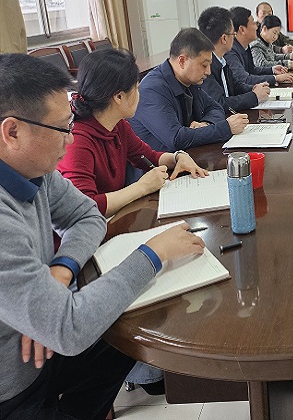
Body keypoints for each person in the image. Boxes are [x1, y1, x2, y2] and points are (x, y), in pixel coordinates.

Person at [0, 53, 205, 420]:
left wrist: (60, 270)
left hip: (46, 345)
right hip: (13, 387)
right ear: (12, 132)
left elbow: (87, 215)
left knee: (122, 334)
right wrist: (152, 254)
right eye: (62, 128)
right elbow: (67, 327)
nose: (70, 139)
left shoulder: (35, 170)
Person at [58, 49, 208, 223]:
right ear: (119, 97)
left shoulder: (118, 125)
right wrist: (142, 187)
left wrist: (177, 157)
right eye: (136, 88)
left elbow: (148, 157)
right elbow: (86, 206)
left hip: (113, 221)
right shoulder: (77, 141)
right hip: (90, 231)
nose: (139, 94)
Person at [130, 28, 249, 151]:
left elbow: (215, 107)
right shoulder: (152, 90)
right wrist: (226, 128)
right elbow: (176, 139)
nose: (208, 71)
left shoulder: (189, 80)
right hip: (160, 162)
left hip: (186, 156)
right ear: (182, 61)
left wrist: (206, 124)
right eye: (204, 65)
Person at [197, 6, 270, 111]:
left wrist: (253, 88)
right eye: (233, 34)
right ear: (224, 38)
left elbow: (235, 85)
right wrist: (254, 96)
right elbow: (219, 103)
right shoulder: (206, 66)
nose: (234, 38)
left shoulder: (221, 60)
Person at [226, 6, 293, 88]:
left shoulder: (245, 46)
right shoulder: (231, 52)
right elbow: (245, 79)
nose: (256, 27)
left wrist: (272, 70)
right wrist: (275, 78)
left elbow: (252, 70)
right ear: (242, 30)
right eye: (253, 23)